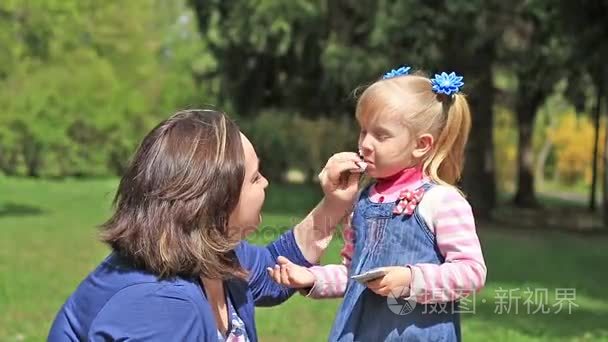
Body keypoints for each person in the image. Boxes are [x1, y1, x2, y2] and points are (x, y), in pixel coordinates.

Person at [48, 109, 364, 341]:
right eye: (254, 177)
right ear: (216, 202)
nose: (266, 183)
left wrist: (334, 204)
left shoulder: (214, 257)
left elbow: (274, 273)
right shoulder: (162, 308)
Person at [268, 67, 487, 341]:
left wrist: (411, 279)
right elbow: (353, 272)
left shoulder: (441, 201)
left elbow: (471, 273)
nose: (365, 144)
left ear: (421, 145)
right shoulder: (363, 201)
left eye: (381, 136)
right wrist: (313, 278)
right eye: (363, 132)